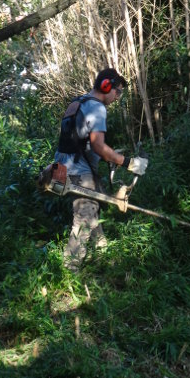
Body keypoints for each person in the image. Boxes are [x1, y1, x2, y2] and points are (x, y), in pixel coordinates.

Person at [55, 68, 148, 271]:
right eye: (118, 91)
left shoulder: (77, 102)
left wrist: (109, 156)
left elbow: (79, 140)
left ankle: (103, 251)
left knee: (92, 204)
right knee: (86, 214)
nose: (118, 96)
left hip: (61, 167)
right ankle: (69, 268)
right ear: (106, 86)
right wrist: (128, 162)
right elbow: (98, 145)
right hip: (78, 170)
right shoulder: (97, 108)